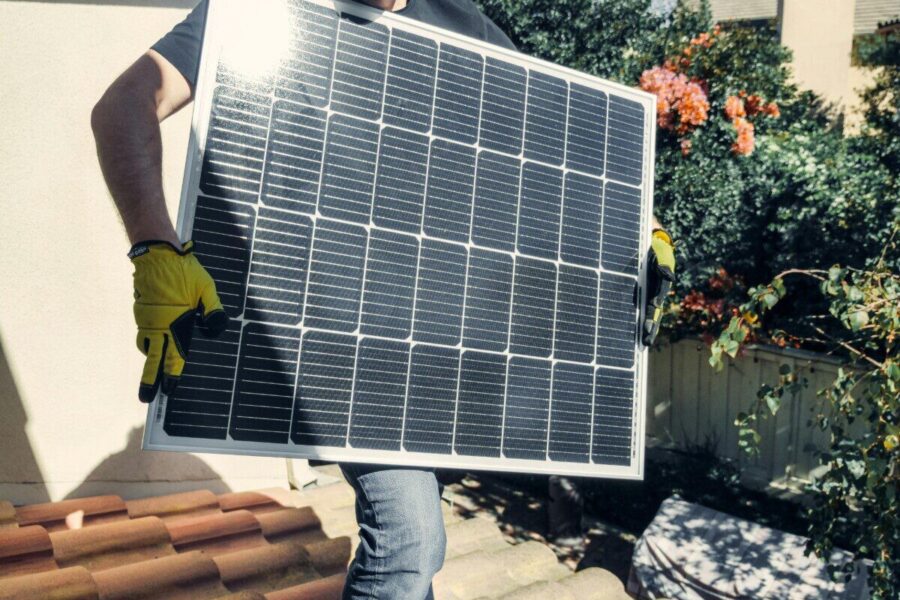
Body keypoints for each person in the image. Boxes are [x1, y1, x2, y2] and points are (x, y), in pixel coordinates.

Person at [91, 0, 675, 597]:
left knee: (422, 542)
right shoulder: (265, 12)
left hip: (446, 348)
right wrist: (155, 248)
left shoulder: (465, 26)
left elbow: (562, 156)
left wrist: (642, 223)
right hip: (341, 346)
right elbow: (122, 108)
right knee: (409, 540)